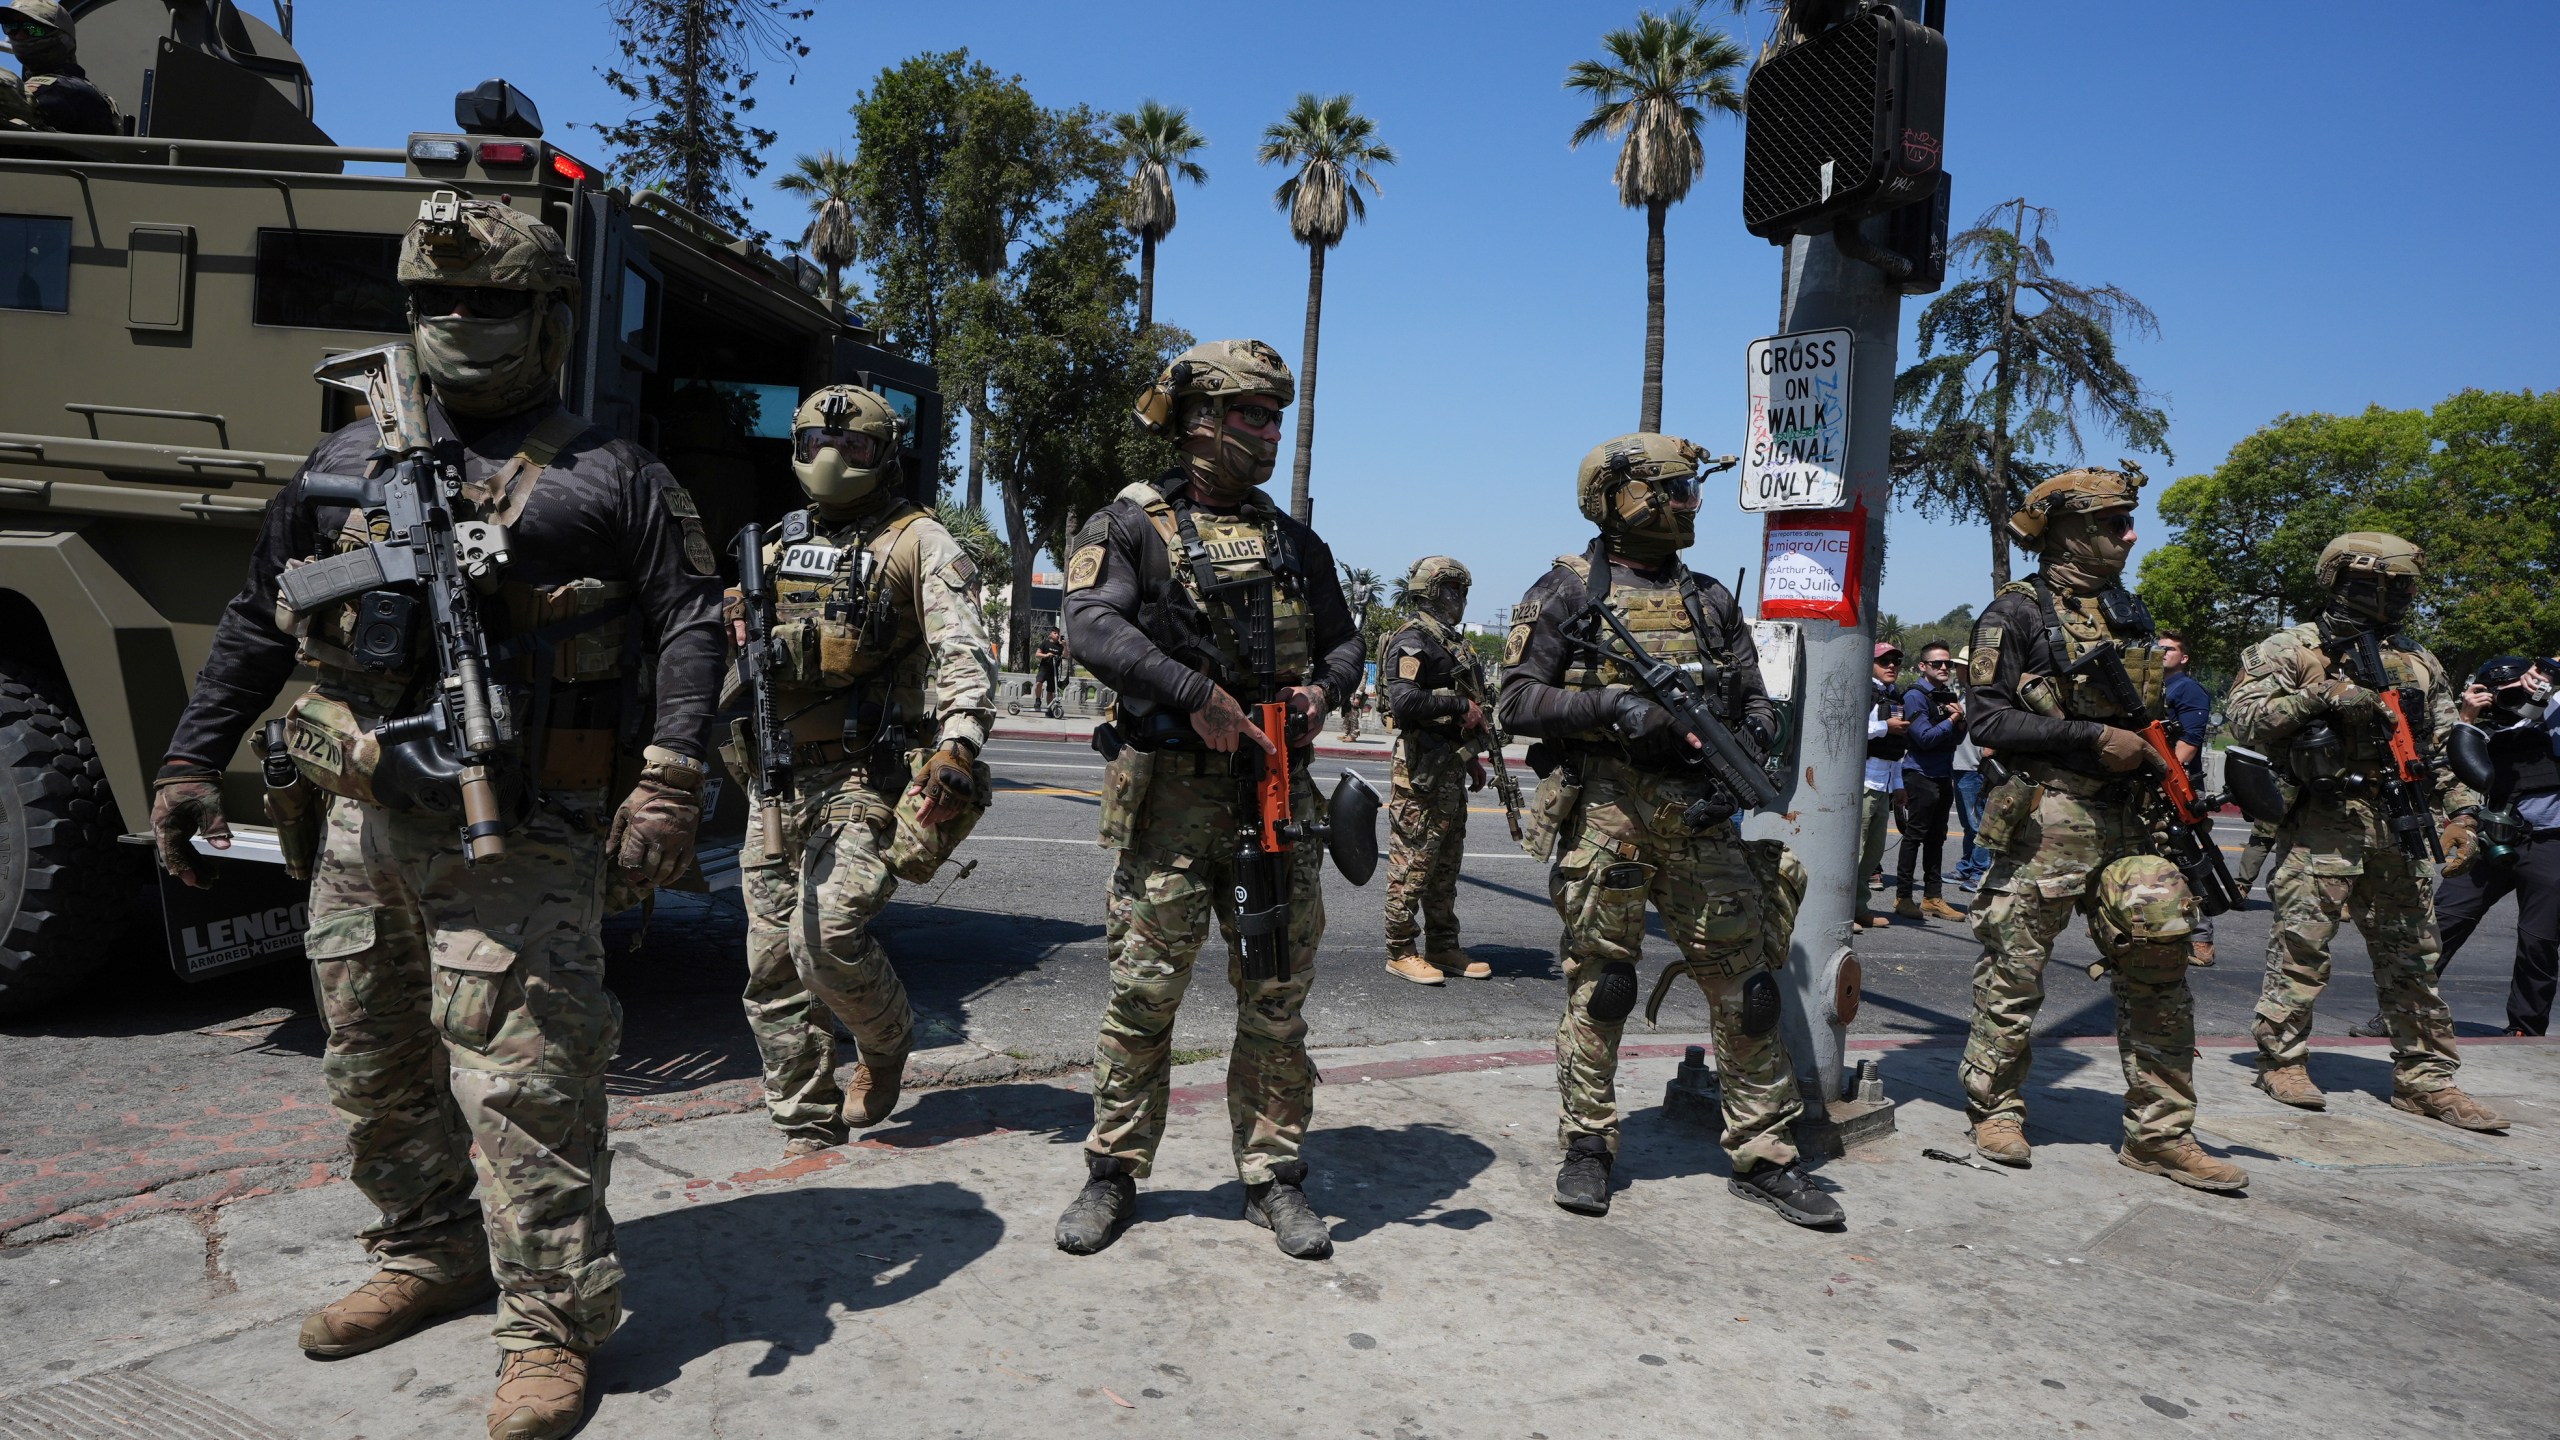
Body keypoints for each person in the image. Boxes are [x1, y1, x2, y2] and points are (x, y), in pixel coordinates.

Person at [147, 197, 723, 1439]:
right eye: (435, 300)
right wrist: (189, 764)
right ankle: (429, 1250)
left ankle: (550, 1325)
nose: (461, 319)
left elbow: (691, 621)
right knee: (375, 1063)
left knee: (528, 1088)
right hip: (360, 827)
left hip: (521, 834)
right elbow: (257, 619)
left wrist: (670, 775)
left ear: (550, 318)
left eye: (493, 301)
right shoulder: (342, 463)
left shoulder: (610, 475)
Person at [1052, 340, 1363, 1261]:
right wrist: (1197, 695)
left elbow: (1346, 644)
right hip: (1171, 809)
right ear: (1198, 420)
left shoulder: (1296, 542)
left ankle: (1274, 1178)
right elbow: (1089, 624)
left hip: (1276, 799)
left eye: (1276, 419)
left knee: (1276, 1001)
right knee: (1144, 998)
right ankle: (1112, 1173)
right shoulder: (1131, 526)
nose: (1268, 434)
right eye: (1251, 416)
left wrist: (1321, 693)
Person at [1498, 432, 1840, 1229]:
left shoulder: (1710, 598)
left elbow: (1755, 696)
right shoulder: (1565, 592)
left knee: (1750, 989)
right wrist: (1615, 709)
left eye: (1692, 488)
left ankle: (1765, 1152)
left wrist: (1753, 734)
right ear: (1618, 497)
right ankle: (1588, 1144)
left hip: (1700, 817)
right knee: (1604, 985)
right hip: (1609, 814)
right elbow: (1515, 699)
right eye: (1675, 488)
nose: (1691, 502)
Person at [1957, 465, 2247, 1192]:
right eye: (2116, 524)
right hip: (2049, 818)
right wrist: (2091, 737)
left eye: (2127, 522)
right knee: (2013, 973)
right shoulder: (2014, 613)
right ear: (2069, 531)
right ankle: (1996, 1109)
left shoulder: (2128, 610)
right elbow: (1988, 719)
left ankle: (2161, 1133)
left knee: (2160, 972)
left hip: (2131, 819)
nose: (2130, 535)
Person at [727, 385, 996, 1160]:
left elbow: (963, 650)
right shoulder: (776, 545)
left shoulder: (918, 542)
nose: (833, 457)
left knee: (826, 935)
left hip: (865, 777)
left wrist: (958, 744)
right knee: (772, 968)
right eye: (817, 442)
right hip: (776, 778)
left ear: (885, 456)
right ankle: (805, 1125)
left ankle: (885, 1042)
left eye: (855, 446)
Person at [2225, 533, 2504, 1131]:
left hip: (2399, 822)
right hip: (2322, 822)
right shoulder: (2293, 648)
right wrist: (2322, 694)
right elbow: (2245, 718)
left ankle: (2426, 1078)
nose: (2401, 595)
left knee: (2414, 957)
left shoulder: (2419, 660)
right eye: (2389, 584)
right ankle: (2282, 1061)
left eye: (2406, 585)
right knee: (2302, 949)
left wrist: (2462, 814)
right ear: (2348, 581)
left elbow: (2442, 748)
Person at [2352, 654, 2560, 1038]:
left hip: (2550, 842)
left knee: (2539, 942)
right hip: (2489, 839)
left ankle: (2525, 1031)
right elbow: (2441, 768)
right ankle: (2400, 1014)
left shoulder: (2552, 713)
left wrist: (2545, 676)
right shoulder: (2473, 727)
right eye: (2500, 692)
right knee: (2440, 926)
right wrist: (2466, 717)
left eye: (2517, 688)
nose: (2510, 698)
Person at [1380, 556, 1491, 984]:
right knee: (1412, 863)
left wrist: (1472, 759)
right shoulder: (1413, 640)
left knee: (1444, 866)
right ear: (1430, 591)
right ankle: (1400, 949)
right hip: (1419, 771)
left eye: (1462, 591)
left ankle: (1442, 945)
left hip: (1448, 768)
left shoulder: (1449, 641)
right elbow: (1405, 701)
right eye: (1452, 590)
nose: (1460, 599)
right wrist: (1460, 705)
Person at [1893, 641, 1967, 921]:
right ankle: (1903, 897)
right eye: (1937, 663)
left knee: (1936, 838)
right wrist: (1953, 719)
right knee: (1915, 836)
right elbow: (1923, 738)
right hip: (1920, 775)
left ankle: (1932, 897)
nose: (1945, 667)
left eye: (1948, 663)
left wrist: (1959, 723)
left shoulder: (1944, 694)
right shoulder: (1915, 696)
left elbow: (1955, 739)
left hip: (1942, 774)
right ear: (1923, 666)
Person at [2159, 630, 2218, 965]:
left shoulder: (2187, 688)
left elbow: (2189, 742)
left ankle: (2201, 937)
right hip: (2149, 784)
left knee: (2187, 860)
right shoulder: (2152, 687)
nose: (2161, 652)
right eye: (2158, 648)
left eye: (2169, 649)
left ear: (2183, 658)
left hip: (2177, 786)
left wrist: (2165, 781)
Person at [0, 1, 120, 135]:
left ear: (60, 36)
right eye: (11, 27)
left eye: (32, 29)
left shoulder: (72, 90)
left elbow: (25, 105)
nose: (19, 36)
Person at [1861, 642, 1910, 929]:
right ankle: (1843, 911)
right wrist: (1885, 727)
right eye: (1884, 661)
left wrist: (1899, 785)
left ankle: (1858, 907)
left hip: (1884, 783)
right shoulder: (1863, 691)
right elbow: (1853, 728)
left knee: (1873, 853)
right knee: (1856, 851)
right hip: (1865, 781)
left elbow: (1896, 748)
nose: (1891, 666)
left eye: (1896, 661)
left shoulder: (1893, 695)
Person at [1950, 718, 1991, 892]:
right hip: (1959, 766)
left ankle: (1980, 872)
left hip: (1974, 767)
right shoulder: (1960, 702)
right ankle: (1966, 867)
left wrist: (1991, 749)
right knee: (1968, 825)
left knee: (1977, 825)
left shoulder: (1984, 701)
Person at [1033, 626, 1066, 709]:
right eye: (1055, 633)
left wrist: (1065, 646)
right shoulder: (1045, 643)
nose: (1057, 635)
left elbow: (1066, 655)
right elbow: (1037, 654)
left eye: (1058, 634)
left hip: (1054, 671)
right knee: (1038, 683)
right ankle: (1038, 700)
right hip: (1044, 668)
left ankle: (1049, 709)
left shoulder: (1060, 646)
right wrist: (1046, 655)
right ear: (1050, 634)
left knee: (1050, 691)